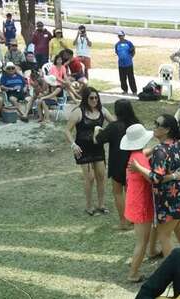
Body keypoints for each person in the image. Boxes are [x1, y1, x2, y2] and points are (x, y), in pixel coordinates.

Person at [128, 113, 180, 257]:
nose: (154, 126)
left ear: (166, 130)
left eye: (157, 124)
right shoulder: (175, 144)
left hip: (172, 198)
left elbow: (155, 178)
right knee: (177, 224)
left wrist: (138, 168)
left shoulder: (161, 151)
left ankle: (172, 270)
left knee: (164, 234)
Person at [64, 87, 116, 216]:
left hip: (97, 148)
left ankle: (101, 204)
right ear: (86, 99)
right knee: (90, 178)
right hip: (83, 149)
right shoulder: (78, 112)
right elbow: (66, 130)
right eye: (91, 98)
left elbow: (115, 124)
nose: (94, 100)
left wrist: (107, 133)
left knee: (101, 176)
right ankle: (89, 205)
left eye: (96, 98)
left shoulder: (102, 111)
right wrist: (73, 145)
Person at [93, 99, 139, 230]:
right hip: (134, 162)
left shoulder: (114, 126)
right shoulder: (136, 124)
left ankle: (123, 221)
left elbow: (97, 140)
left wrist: (97, 129)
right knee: (131, 192)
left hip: (117, 163)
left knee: (118, 192)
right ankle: (133, 219)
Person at [119, 123, 155, 281]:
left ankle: (149, 254)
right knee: (142, 242)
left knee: (141, 240)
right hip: (141, 205)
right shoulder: (139, 160)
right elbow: (152, 178)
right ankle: (133, 274)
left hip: (134, 202)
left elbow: (144, 154)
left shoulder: (135, 155)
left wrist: (154, 150)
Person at [113, 31, 137, 95]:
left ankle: (134, 91)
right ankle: (125, 90)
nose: (120, 37)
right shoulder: (117, 44)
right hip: (121, 64)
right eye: (119, 36)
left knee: (131, 78)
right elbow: (117, 52)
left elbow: (133, 50)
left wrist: (130, 57)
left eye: (121, 35)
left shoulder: (128, 43)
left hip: (128, 64)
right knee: (122, 78)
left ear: (124, 35)